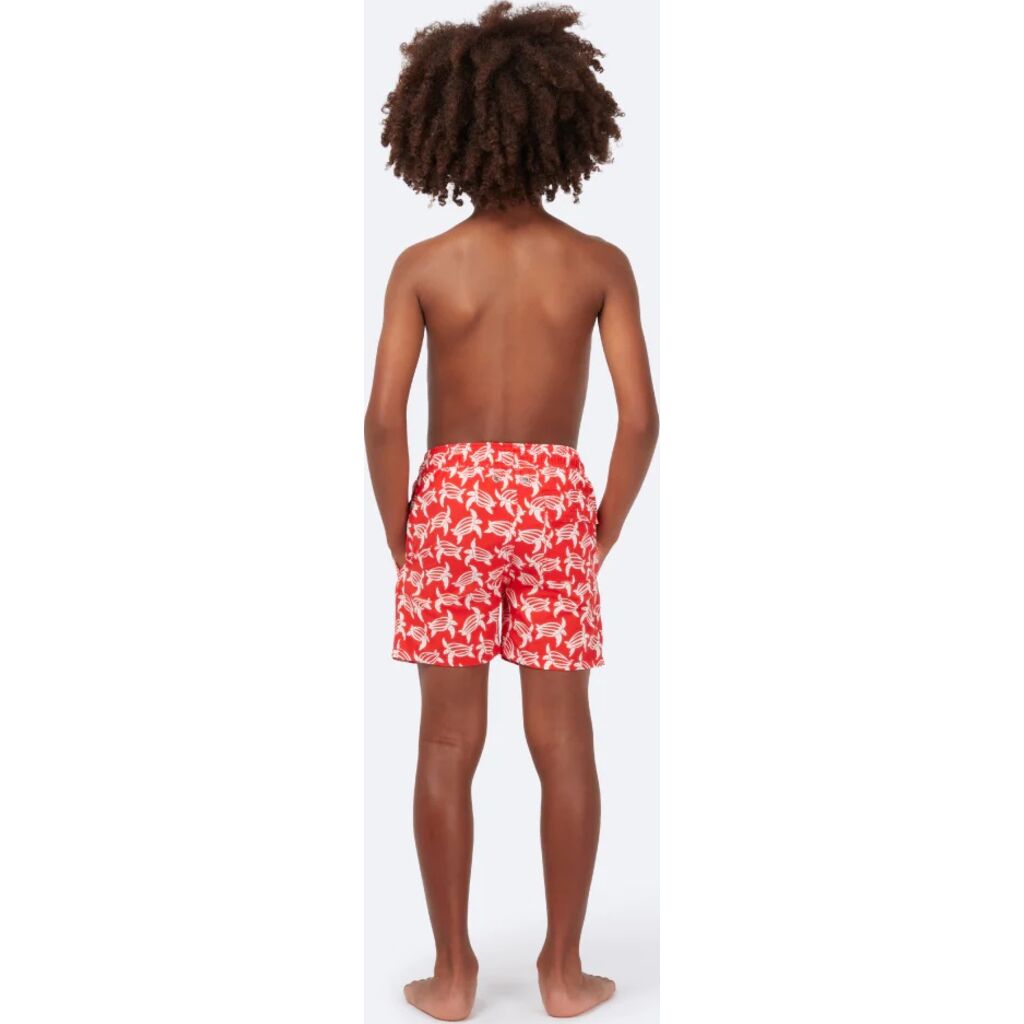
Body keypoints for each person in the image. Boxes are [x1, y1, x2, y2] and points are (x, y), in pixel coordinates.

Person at [365, 3, 658, 1019]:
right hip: (551, 499)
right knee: (563, 741)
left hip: (448, 499)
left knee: (447, 744)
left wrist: (406, 532)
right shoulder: (598, 264)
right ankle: (563, 975)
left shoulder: (422, 267)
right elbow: (639, 420)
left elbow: (381, 420)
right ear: (565, 125)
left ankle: (451, 978)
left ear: (440, 129)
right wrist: (601, 525)